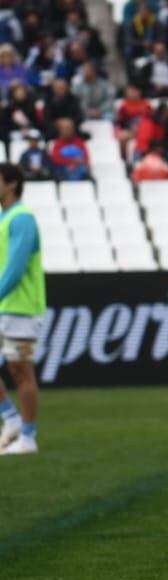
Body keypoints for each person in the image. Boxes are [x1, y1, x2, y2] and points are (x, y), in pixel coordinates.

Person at [0, 164, 44, 455]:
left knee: (21, 371)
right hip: (5, 305)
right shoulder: (5, 218)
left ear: (12, 183)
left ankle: (28, 437)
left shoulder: (22, 218)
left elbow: (15, 268)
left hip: (22, 308)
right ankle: (11, 418)